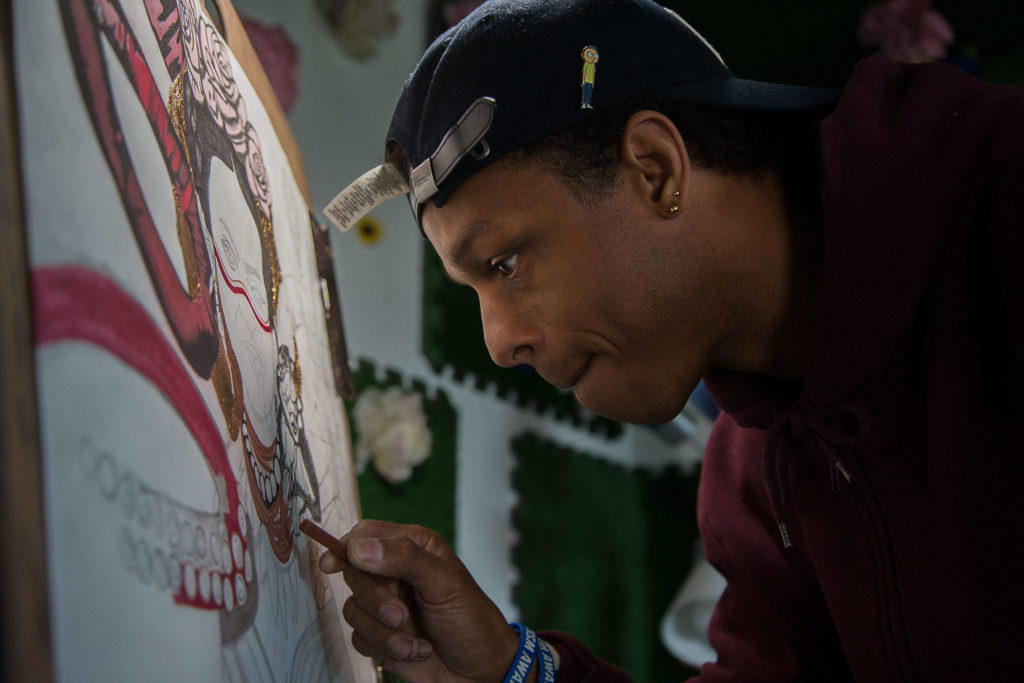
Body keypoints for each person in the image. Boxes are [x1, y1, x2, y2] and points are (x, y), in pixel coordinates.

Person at [321, 0, 1024, 680]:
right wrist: (513, 672)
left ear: (655, 169)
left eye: (504, 263)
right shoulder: (752, 492)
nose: (500, 344)